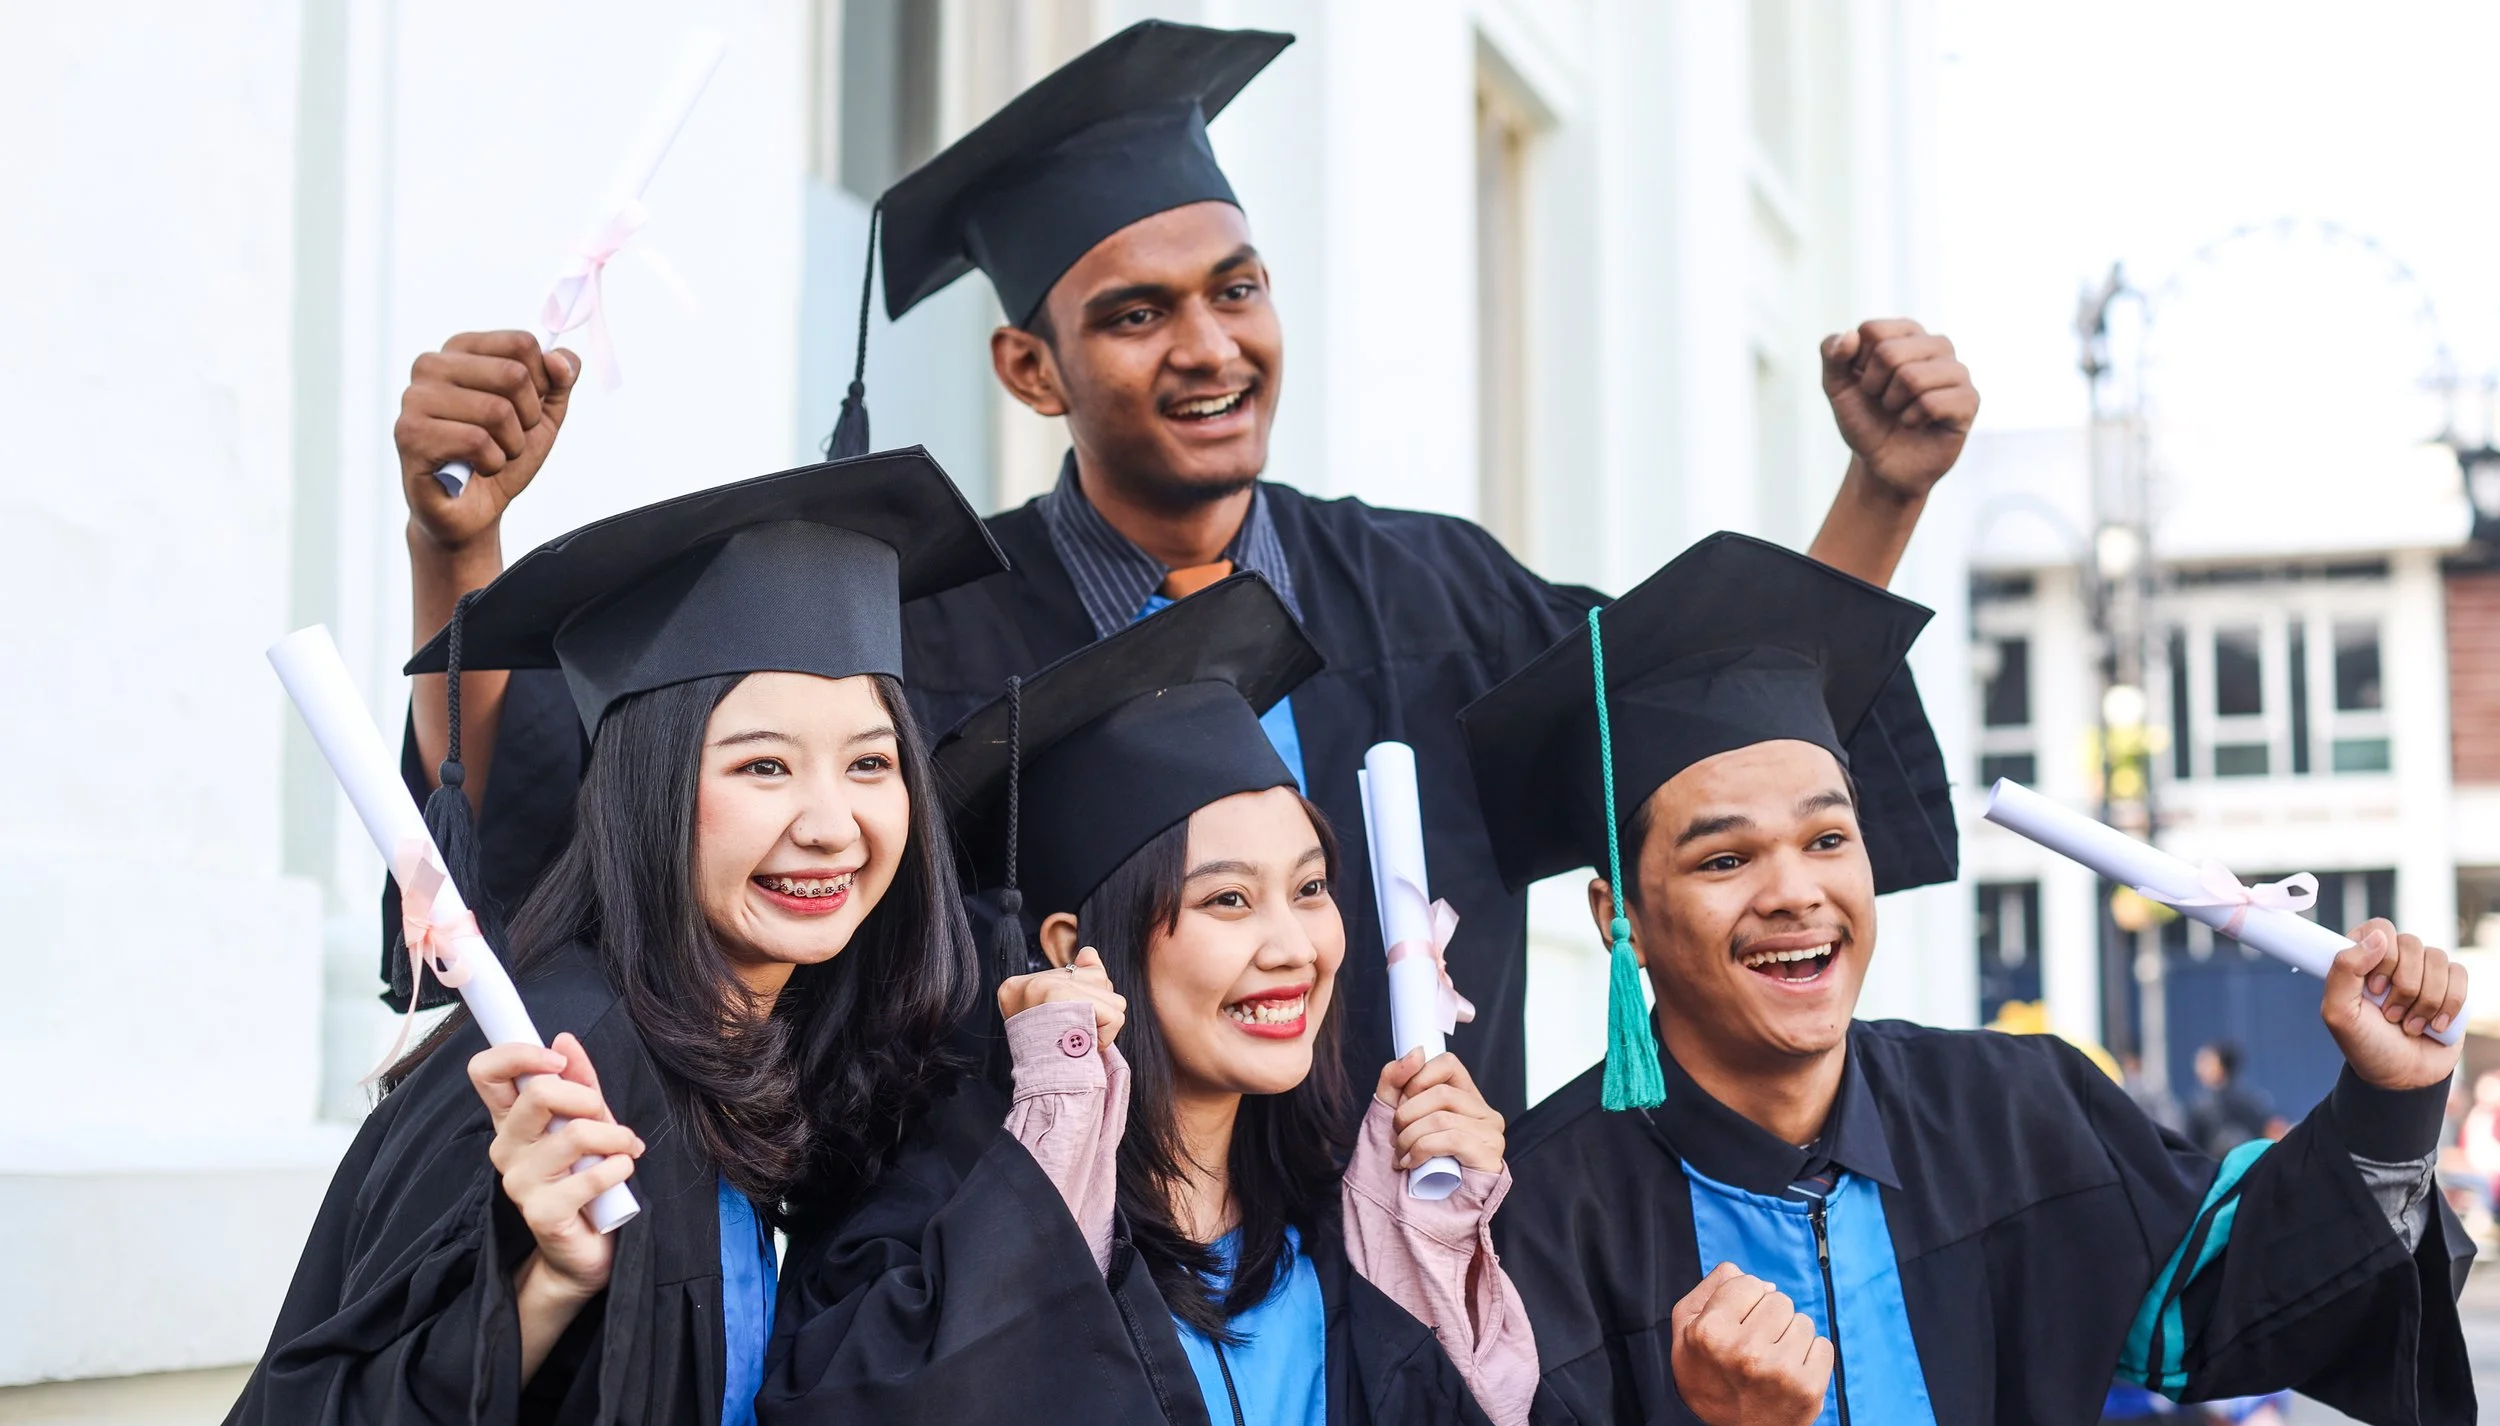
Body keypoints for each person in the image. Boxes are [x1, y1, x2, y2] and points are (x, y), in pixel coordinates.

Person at [384, 17, 1979, 1122]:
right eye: (1136, 314)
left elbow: (1718, 720)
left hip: (1416, 1315)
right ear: (1029, 365)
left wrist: (1879, 493)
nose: (1210, 346)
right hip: (1057, 1349)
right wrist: (459, 545)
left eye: (1238, 289)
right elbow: (564, 843)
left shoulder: (1434, 594)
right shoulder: (914, 641)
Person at [1458, 532, 2478, 1426]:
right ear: (1617, 916)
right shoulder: (1526, 1230)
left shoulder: (2016, 1114)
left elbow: (2225, 1303)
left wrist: (2386, 1102)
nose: (1795, 890)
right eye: (1721, 859)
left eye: (1827, 837)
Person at [59, 455, 1004, 1426]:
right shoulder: (559, 1065)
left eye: (869, 761)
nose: (831, 819)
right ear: (656, 785)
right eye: (763, 763)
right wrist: (546, 1284)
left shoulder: (717, 1061)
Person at [758, 575, 1614, 1426]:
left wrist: (1438, 1262)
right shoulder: (920, 1201)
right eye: (1225, 900)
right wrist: (1062, 1120)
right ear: (1076, 947)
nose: (1294, 945)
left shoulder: (1330, 1227)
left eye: (1310, 888)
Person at [2185, 1038, 2278, 1155]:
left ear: (2221, 1066)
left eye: (2206, 1062)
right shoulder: (2255, 1099)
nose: (2199, 1068)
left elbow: (2191, 1148)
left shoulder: (2200, 1105)